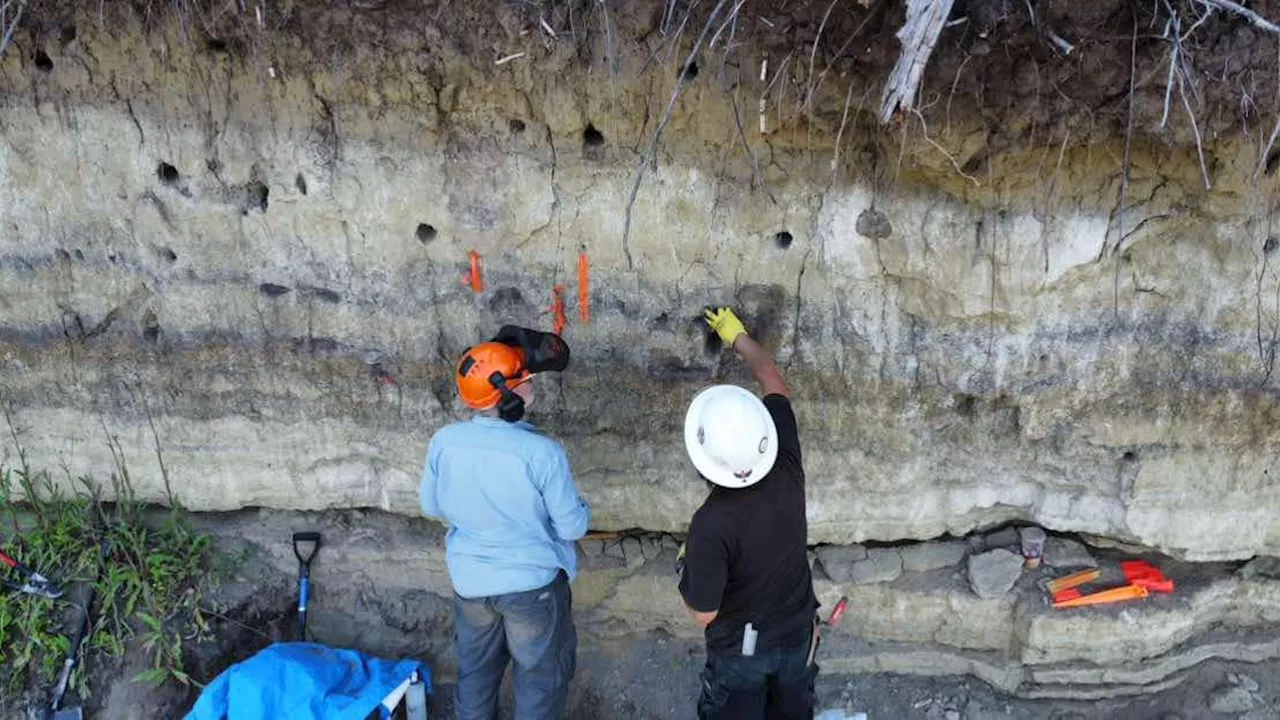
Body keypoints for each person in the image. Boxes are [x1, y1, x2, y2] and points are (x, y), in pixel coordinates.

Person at [419, 327, 590, 720]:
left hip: (471, 585)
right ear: (510, 395)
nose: (531, 382)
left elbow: (431, 505)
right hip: (531, 590)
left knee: (476, 675)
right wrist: (581, 508)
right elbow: (572, 528)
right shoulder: (542, 453)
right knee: (539, 679)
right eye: (526, 378)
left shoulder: (444, 441)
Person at [678, 307, 819, 720]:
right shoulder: (787, 462)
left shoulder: (711, 524)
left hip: (742, 653)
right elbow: (772, 378)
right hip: (796, 639)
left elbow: (704, 612)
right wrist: (738, 336)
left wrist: (685, 569)